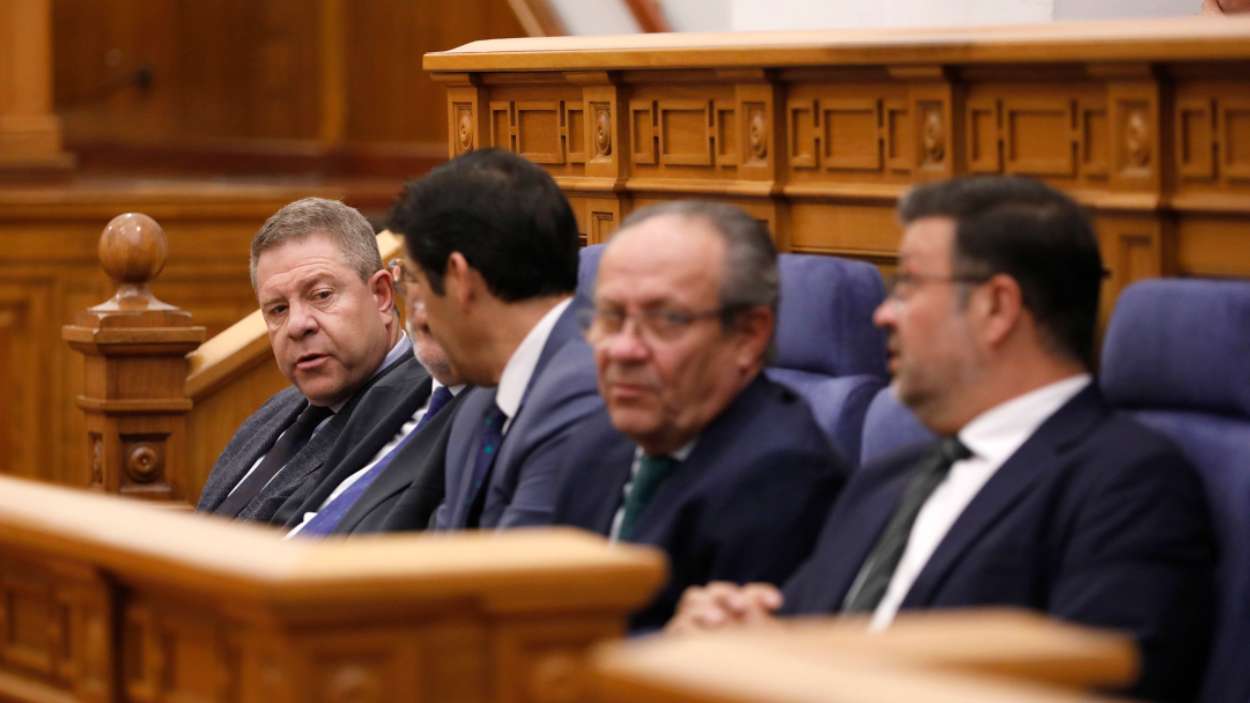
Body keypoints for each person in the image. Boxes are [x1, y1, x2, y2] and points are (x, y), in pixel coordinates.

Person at [667, 176, 1215, 703]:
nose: (884, 313)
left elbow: (1095, 685)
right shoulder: (889, 478)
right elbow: (808, 629)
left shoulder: (1124, 481)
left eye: (907, 285)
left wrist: (805, 671)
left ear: (996, 307)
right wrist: (739, 629)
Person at [551, 201, 848, 632]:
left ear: (749, 335)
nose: (623, 349)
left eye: (666, 319)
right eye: (611, 317)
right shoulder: (597, 441)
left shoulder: (782, 476)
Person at [388, 148, 605, 530]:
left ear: (459, 279)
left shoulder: (588, 397)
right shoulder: (479, 406)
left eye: (416, 283)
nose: (419, 312)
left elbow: (520, 579)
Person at [196, 197, 415, 524]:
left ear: (381, 295)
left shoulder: (420, 413)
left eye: (321, 295)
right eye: (278, 309)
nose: (298, 325)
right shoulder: (273, 412)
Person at [283, 258, 470, 535]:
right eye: (412, 274)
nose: (421, 300)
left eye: (440, 276)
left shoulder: (496, 414)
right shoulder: (385, 391)